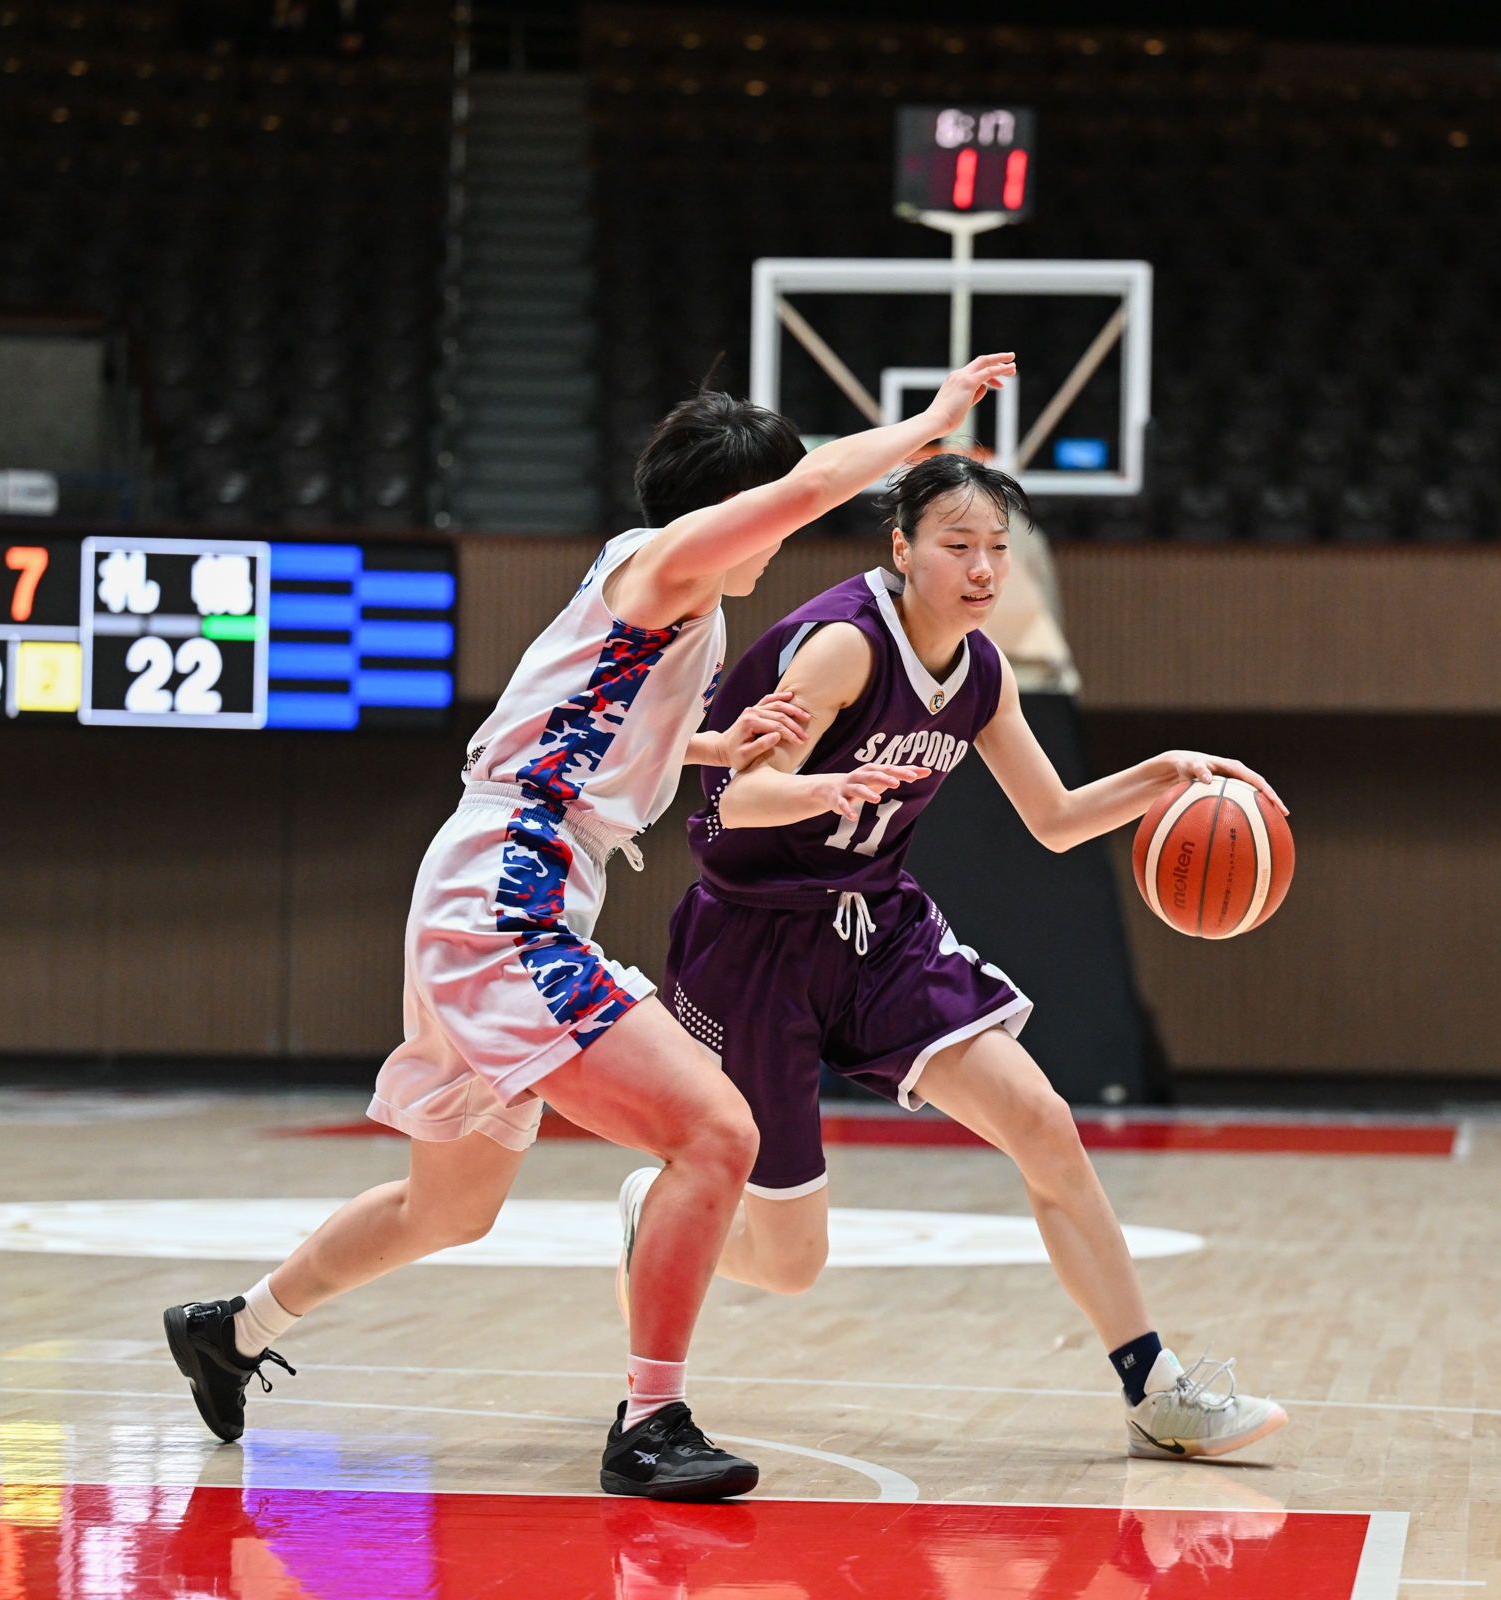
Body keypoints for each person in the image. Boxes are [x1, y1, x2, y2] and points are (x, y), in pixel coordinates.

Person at [159, 353, 1020, 1502]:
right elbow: (812, 487)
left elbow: (587, 727)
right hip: (508, 895)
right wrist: (928, 423)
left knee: (448, 1206)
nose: (781, 535)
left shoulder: (682, 609)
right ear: (734, 509)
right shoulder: (664, 564)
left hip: (492, 883)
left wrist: (716, 746)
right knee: (718, 1132)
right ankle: (650, 1420)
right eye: (766, 509)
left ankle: (231, 1330)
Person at [645, 452, 1292, 1462]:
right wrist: (827, 788)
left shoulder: (982, 672)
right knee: (789, 1262)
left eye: (997, 547)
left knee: (1042, 1121)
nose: (983, 568)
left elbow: (1056, 819)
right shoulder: (845, 648)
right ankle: (652, 1221)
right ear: (903, 550)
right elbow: (741, 797)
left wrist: (1164, 774)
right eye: (958, 546)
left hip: (876, 930)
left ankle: (1155, 1389)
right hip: (757, 944)